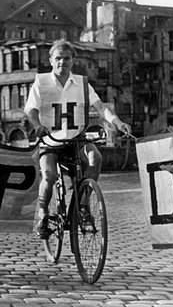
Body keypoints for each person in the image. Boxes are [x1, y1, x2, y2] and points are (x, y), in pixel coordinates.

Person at [24, 40, 132, 239]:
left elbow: (100, 107)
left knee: (96, 158)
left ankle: (82, 205)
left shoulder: (82, 84)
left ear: (73, 61)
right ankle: (42, 215)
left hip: (75, 140)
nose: (62, 62)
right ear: (50, 61)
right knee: (48, 176)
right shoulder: (41, 82)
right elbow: (31, 110)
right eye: (58, 58)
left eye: (66, 58)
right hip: (50, 142)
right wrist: (37, 125)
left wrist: (117, 122)